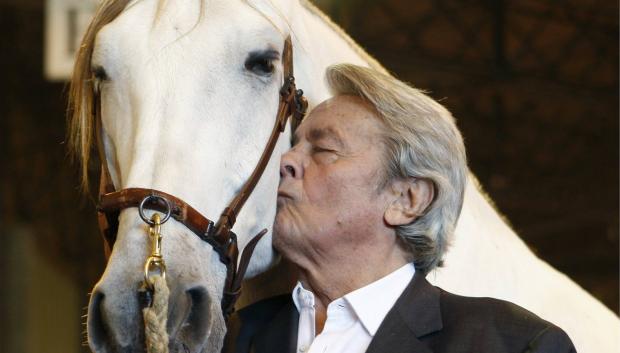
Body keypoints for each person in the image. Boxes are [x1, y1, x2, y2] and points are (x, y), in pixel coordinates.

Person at [224, 64, 575, 353]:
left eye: (323, 149)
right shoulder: (228, 337)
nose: (285, 161)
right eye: (294, 145)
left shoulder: (512, 345)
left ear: (407, 200)